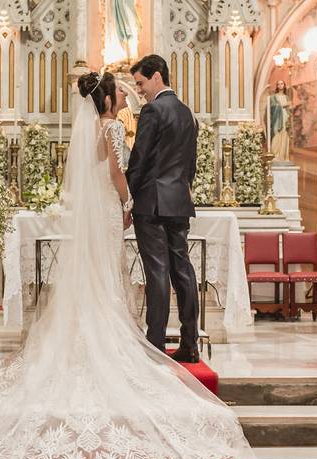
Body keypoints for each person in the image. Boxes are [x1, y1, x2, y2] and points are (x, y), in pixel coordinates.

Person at [0, 71, 251, 459]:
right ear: (108, 98)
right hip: (116, 207)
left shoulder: (100, 126)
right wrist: (128, 201)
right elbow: (119, 173)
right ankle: (132, 336)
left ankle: (101, 330)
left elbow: (112, 169)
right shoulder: (116, 126)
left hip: (101, 210)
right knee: (120, 273)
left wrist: (130, 198)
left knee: (104, 274)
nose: (127, 93)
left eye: (130, 85)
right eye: (120, 90)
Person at [128, 54, 200, 363]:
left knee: (157, 271)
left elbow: (139, 158)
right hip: (179, 201)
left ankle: (155, 343)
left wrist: (127, 197)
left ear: (157, 76)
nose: (139, 90)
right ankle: (190, 343)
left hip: (152, 203)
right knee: (182, 269)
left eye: (141, 83)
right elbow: (191, 164)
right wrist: (181, 190)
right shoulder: (187, 113)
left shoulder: (152, 110)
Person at [268, 80, 291, 161]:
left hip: (285, 118)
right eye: (278, 84)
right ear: (277, 86)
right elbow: (272, 107)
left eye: (282, 84)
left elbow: (289, 109)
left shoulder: (287, 97)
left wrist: (290, 109)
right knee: (276, 134)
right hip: (277, 119)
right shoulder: (273, 97)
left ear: (284, 85)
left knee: (284, 134)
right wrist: (283, 105)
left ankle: (283, 156)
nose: (280, 85)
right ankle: (275, 155)